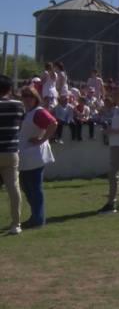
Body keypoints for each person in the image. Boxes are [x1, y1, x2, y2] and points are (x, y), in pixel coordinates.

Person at [18, 86, 57, 229]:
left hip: (35, 155)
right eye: (24, 96)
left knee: (34, 188)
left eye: (30, 96)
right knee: (26, 186)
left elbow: (53, 123)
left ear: (35, 98)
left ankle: (38, 219)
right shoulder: (28, 113)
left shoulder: (38, 112)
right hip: (27, 155)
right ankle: (35, 216)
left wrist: (41, 139)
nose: (27, 99)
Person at [0, 75, 25, 235]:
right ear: (9, 89)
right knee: (14, 188)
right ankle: (16, 224)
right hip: (11, 151)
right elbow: (20, 124)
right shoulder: (18, 105)